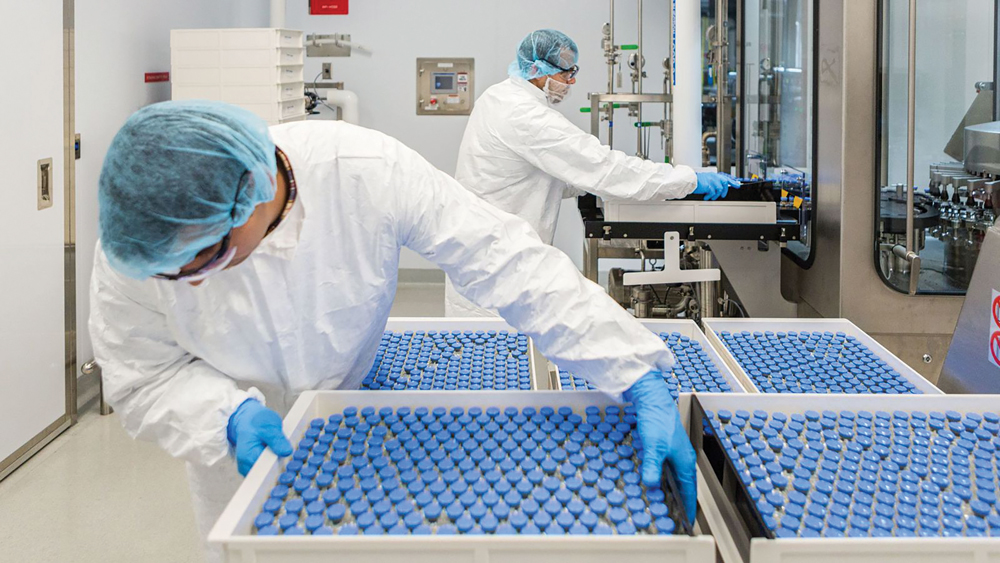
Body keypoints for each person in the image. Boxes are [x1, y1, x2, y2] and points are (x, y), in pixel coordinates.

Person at [90, 100, 696, 561]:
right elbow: (141, 375)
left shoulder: (363, 171)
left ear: (252, 195)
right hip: (232, 461)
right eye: (175, 273)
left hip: (354, 422)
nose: (191, 282)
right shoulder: (143, 242)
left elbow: (505, 260)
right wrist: (224, 417)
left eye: (207, 258)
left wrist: (631, 369)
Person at [445, 29, 738, 317]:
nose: (571, 81)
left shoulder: (498, 97)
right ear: (537, 70)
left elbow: (533, 175)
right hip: (498, 271)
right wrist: (688, 180)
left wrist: (593, 179)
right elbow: (604, 167)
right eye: (566, 73)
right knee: (498, 345)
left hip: (485, 255)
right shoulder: (526, 115)